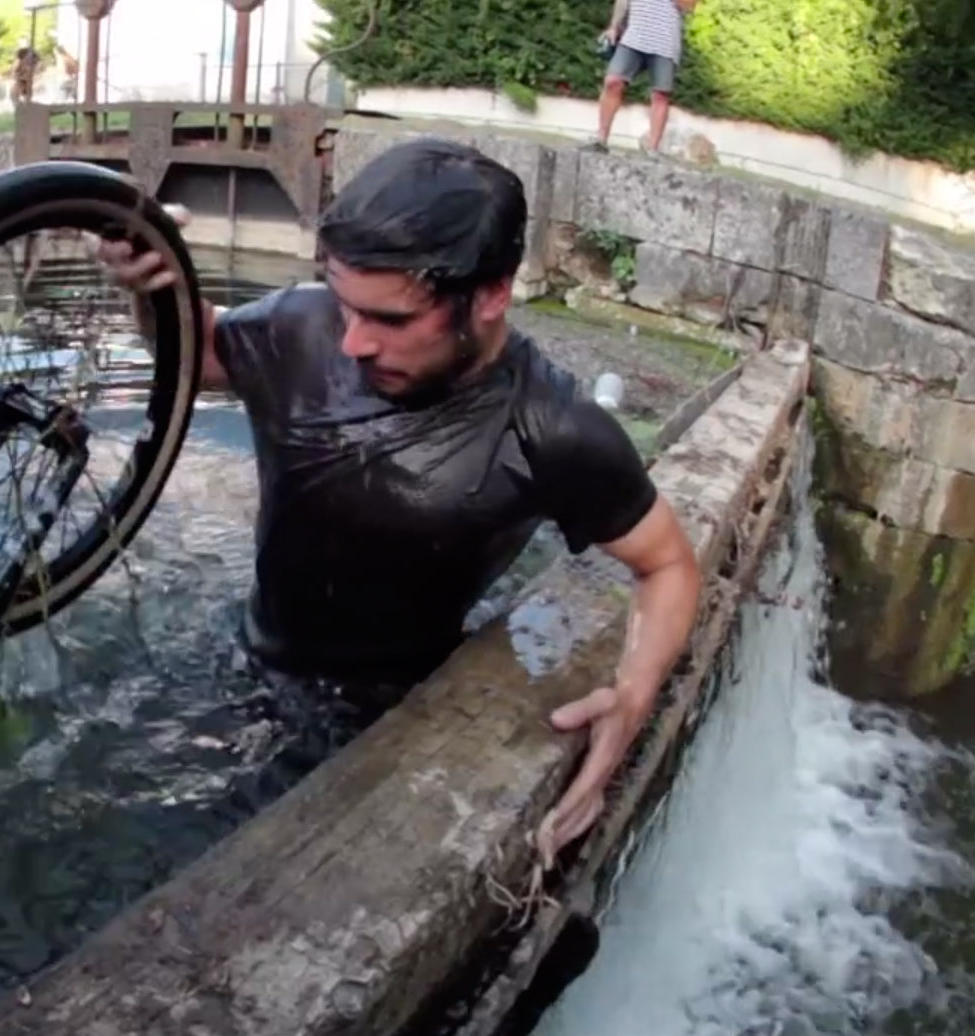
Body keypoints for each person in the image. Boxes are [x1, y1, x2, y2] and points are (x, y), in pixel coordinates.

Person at [98, 138, 701, 855]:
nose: (352, 342)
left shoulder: (551, 428)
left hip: (389, 716)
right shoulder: (305, 325)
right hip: (248, 658)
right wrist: (152, 289)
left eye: (388, 321)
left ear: (490, 296)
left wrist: (631, 698)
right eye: (345, 306)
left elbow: (667, 566)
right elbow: (196, 354)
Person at [594, 0, 699, 153]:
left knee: (661, 94)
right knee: (613, 81)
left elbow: (690, 6)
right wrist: (614, 27)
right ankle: (601, 138)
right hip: (634, 37)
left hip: (665, 42)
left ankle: (653, 148)